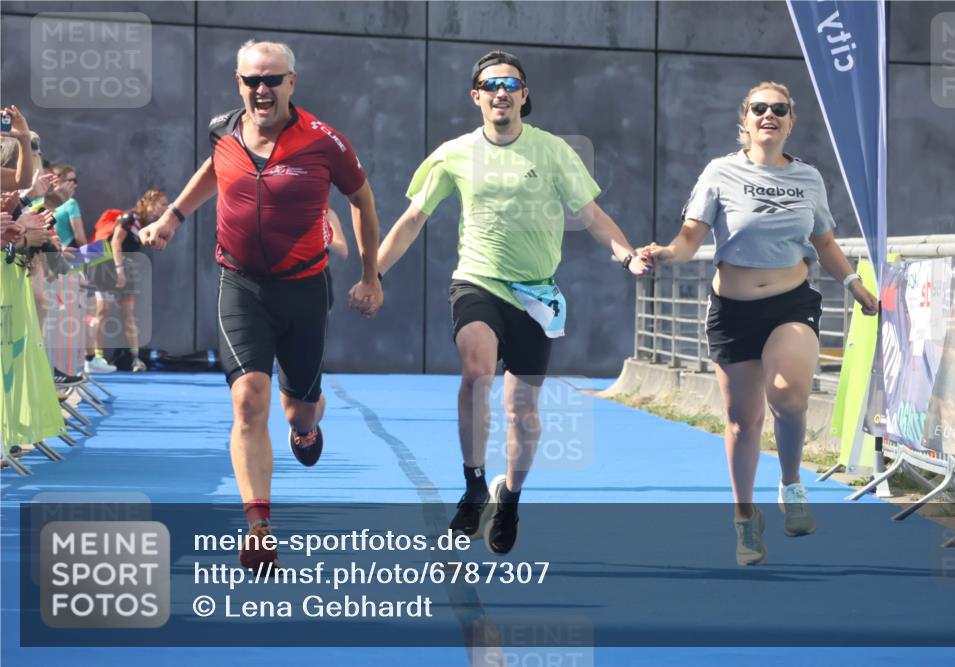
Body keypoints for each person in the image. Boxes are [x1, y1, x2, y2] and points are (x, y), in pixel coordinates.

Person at [374, 50, 651, 555]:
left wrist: (626, 256)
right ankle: (474, 483)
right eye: (491, 84)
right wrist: (373, 273)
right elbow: (413, 219)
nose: (501, 91)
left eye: (511, 83)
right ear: (476, 96)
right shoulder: (453, 153)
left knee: (521, 409)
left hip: (536, 294)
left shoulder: (552, 152)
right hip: (477, 282)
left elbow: (591, 215)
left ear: (524, 95)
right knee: (476, 371)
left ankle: (511, 499)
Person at [141, 39, 382, 570]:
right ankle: (259, 523)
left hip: (304, 287)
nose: (261, 90)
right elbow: (213, 169)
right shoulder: (223, 129)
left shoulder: (325, 142)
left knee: (298, 407)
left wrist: (370, 275)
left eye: (272, 79)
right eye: (251, 80)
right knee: (249, 400)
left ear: (292, 83)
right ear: (238, 83)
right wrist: (172, 218)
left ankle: (307, 426)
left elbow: (361, 199)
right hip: (241, 284)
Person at [641, 81, 879, 566]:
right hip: (733, 310)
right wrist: (664, 254)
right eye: (759, 108)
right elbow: (689, 239)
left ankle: (791, 485)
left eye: (779, 109)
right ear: (744, 120)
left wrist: (853, 283)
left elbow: (826, 243)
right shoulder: (720, 173)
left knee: (790, 393)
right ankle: (745, 520)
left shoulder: (808, 178)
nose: (768, 115)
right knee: (741, 421)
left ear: (791, 122)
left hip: (791, 302)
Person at [95, 188, 169, 372]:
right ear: (150, 203)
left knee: (128, 314)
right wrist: (119, 269)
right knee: (102, 312)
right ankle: (96, 358)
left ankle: (136, 360)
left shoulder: (146, 224)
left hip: (127, 270)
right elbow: (115, 242)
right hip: (107, 267)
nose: (165, 208)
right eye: (163, 204)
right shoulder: (128, 218)